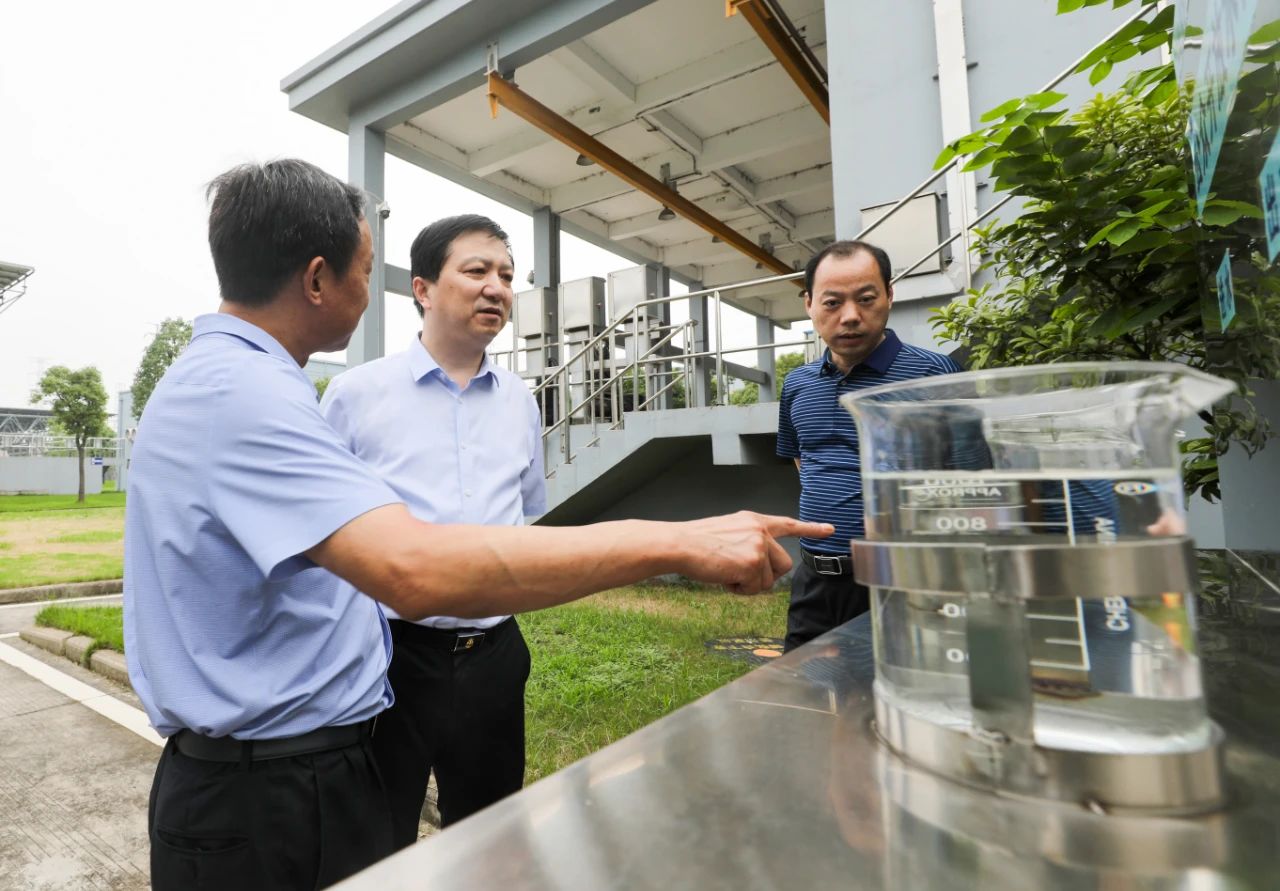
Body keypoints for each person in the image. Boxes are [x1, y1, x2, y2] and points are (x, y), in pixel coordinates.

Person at [123, 158, 831, 891]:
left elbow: (510, 519)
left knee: (490, 841)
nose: (369, 289)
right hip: (272, 794)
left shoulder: (252, 382)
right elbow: (413, 569)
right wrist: (680, 540)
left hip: (318, 758)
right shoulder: (252, 394)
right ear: (316, 279)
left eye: (506, 274)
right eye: (365, 269)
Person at [318, 214, 538, 845]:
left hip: (495, 655)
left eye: (506, 276)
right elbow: (325, 525)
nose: (496, 288)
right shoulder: (356, 396)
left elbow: (526, 509)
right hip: (391, 656)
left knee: (492, 838)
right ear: (423, 289)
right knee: (379, 840)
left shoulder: (521, 400)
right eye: (476, 271)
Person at [775, 240, 960, 653]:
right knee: (804, 684)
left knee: (893, 687)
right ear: (809, 304)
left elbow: (968, 475)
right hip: (815, 580)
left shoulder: (934, 375)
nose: (850, 316)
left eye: (865, 299)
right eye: (832, 302)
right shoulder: (797, 384)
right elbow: (802, 459)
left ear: (889, 295)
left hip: (901, 581)